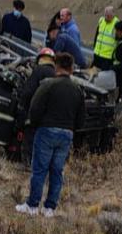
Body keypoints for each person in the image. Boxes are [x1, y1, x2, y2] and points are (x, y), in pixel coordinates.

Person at [16, 52, 85, 217]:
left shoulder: (48, 85)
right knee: (57, 171)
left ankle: (32, 205)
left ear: (56, 67)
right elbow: (81, 118)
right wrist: (72, 129)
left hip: (46, 130)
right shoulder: (77, 90)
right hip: (66, 134)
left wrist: (34, 124)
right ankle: (50, 208)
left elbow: (35, 107)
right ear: (71, 68)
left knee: (40, 169)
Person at [92, 5, 119, 70]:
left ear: (113, 15)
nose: (106, 18)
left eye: (108, 16)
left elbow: (118, 40)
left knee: (104, 74)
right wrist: (94, 46)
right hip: (97, 53)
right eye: (105, 15)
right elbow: (97, 34)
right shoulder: (101, 20)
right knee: (94, 72)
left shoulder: (116, 23)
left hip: (107, 57)